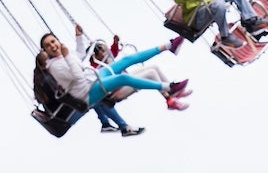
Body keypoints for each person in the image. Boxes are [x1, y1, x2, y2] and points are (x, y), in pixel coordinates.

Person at [39, 31, 190, 114]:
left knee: (126, 60)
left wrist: (78, 37)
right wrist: (66, 56)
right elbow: (77, 77)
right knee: (123, 78)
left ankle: (169, 46)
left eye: (53, 41)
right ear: (45, 51)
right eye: (48, 45)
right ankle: (169, 88)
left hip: (93, 79)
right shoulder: (55, 66)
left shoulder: (65, 54)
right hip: (87, 92)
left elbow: (78, 55)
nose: (53, 46)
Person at [72, 23, 169, 136]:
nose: (106, 53)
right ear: (95, 56)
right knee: (150, 73)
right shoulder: (96, 68)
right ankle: (168, 97)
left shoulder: (107, 58)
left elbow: (113, 51)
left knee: (154, 68)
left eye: (105, 50)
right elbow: (102, 82)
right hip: (117, 91)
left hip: (124, 82)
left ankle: (172, 90)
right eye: (103, 51)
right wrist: (106, 65)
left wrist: (115, 42)